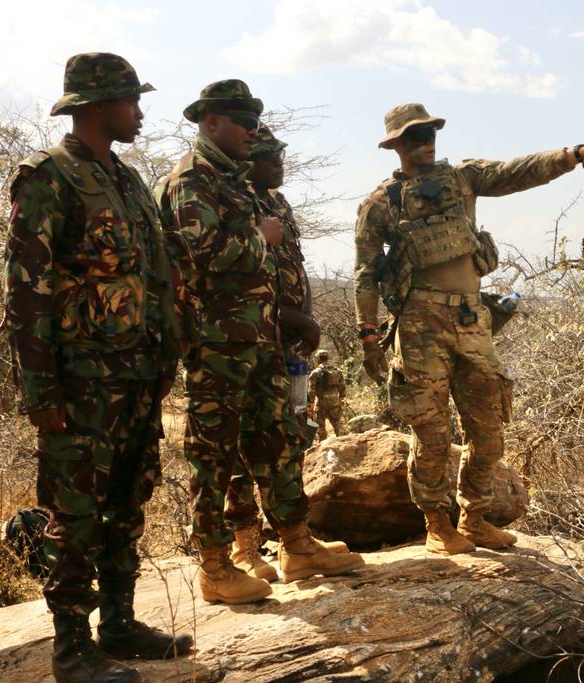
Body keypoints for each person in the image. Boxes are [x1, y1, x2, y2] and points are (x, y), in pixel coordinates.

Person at [354, 102, 584, 555]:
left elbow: (518, 171)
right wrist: (369, 337)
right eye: (415, 136)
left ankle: (474, 518)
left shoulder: (463, 178)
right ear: (396, 145)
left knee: (488, 429)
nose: (426, 142)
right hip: (419, 326)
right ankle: (436, 524)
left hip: (470, 320)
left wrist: (580, 153)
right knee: (432, 433)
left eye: (429, 133)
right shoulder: (379, 204)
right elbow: (365, 273)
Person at [4, 52, 192, 683]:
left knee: (127, 503)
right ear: (97, 105)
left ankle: (119, 624)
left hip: (137, 375)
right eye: (130, 101)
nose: (139, 113)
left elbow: (157, 275)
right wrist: (40, 389)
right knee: (76, 512)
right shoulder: (47, 177)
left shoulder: (129, 180)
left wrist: (167, 354)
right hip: (81, 380)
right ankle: (71, 649)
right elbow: (25, 291)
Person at [156, 81, 362, 603]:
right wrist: (259, 237)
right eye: (243, 121)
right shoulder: (191, 178)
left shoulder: (235, 180)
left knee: (277, 441)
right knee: (214, 453)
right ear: (211, 122)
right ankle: (215, 565)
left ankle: (297, 545)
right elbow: (200, 251)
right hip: (217, 343)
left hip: (260, 339)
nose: (253, 131)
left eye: (255, 122)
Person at [222, 125, 347, 582]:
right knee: (239, 446)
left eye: (281, 154)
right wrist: (289, 318)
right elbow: (238, 277)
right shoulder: (235, 201)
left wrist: (307, 321)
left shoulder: (279, 203)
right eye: (270, 156)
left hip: (286, 344)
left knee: (285, 440)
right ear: (247, 159)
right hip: (246, 336)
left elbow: (295, 266)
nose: (280, 163)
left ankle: (296, 543)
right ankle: (243, 548)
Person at [308, 350, 348, 441]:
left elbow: (312, 390)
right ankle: (343, 442)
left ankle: (322, 444)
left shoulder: (315, 373)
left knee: (321, 425)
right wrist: (341, 398)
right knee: (337, 424)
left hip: (321, 403)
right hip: (334, 401)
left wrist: (311, 403)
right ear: (327, 358)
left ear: (318, 359)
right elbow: (342, 386)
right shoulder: (337, 371)